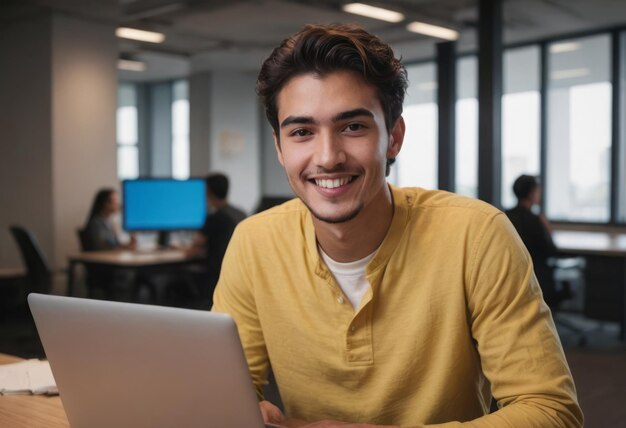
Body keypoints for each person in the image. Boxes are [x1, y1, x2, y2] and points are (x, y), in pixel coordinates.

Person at [212, 24, 583, 427]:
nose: (328, 157)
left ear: (393, 137)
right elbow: (218, 392)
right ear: (280, 148)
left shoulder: (476, 235)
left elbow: (550, 412)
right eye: (302, 132)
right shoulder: (254, 242)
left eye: (353, 126)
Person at [505, 174, 568, 308]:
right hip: (537, 279)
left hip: (512, 279)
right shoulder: (535, 220)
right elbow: (550, 251)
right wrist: (548, 229)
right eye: (538, 190)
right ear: (531, 193)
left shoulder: (505, 216)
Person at [186, 173, 247, 303]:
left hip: (217, 277)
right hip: (240, 274)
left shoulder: (214, 218)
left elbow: (192, 251)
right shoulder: (240, 214)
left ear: (208, 192)